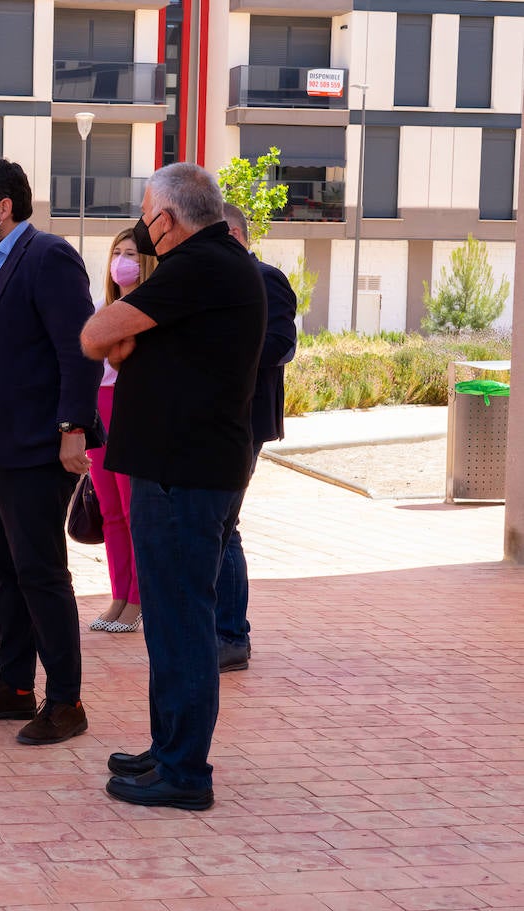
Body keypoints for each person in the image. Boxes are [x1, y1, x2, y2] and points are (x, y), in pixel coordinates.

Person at [80, 162, 265, 811]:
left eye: (146, 215)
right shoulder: (211, 268)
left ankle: (185, 772)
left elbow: (96, 334)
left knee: (182, 623)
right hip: (178, 469)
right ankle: (168, 749)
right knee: (168, 621)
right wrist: (130, 343)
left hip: (183, 476)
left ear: (167, 218)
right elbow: (117, 342)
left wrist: (126, 342)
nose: (144, 227)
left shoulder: (201, 265)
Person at [0, 159, 102, 746]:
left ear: (2, 206)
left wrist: (72, 427)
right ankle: (13, 686)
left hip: (35, 444)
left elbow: (79, 348)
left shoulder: (47, 256)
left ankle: (66, 701)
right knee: (0, 562)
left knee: (39, 570)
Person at [214, 203, 298, 672]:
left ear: (231, 233)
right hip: (202, 423)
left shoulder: (265, 278)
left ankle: (230, 636)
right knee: (210, 527)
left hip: (242, 422)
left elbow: (280, 345)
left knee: (224, 528)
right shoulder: (202, 280)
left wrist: (214, 352)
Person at [85, 229, 155, 635]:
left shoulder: (148, 310)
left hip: (131, 409)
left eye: (131, 253)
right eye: (117, 252)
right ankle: (118, 594)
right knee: (109, 509)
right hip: (99, 410)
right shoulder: (101, 308)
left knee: (133, 511)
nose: (123, 260)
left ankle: (138, 600)